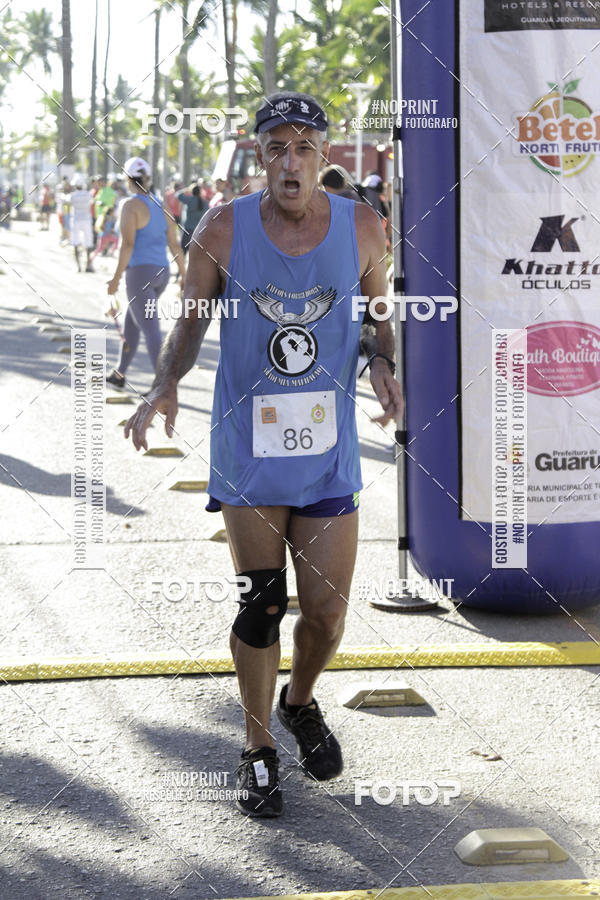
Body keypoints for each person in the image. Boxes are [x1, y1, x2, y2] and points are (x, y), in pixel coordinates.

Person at [124, 92, 402, 817]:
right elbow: (189, 325)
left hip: (328, 448)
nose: (291, 160)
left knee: (328, 616)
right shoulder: (221, 229)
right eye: (277, 146)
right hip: (249, 444)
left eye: (305, 146)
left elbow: (378, 319)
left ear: (325, 155)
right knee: (263, 601)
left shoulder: (365, 227)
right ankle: (257, 749)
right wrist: (163, 386)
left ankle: (299, 702)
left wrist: (380, 362)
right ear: (259, 155)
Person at [105, 156, 186, 388]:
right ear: (148, 179)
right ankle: (119, 374)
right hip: (162, 273)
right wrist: (184, 274)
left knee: (150, 329)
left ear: (129, 180)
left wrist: (116, 278)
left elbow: (127, 244)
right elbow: (174, 243)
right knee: (132, 323)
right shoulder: (161, 204)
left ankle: (163, 384)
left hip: (139, 273)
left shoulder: (130, 205)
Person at [70, 177, 95, 272]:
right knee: (88, 243)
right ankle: (88, 265)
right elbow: (91, 203)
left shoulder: (73, 195)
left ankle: (78, 266)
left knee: (75, 243)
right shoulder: (88, 195)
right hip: (87, 220)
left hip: (76, 220)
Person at [176, 182, 208, 255]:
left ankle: (182, 266)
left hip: (188, 230)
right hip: (200, 231)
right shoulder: (205, 203)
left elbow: (178, 195)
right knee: (197, 253)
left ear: (192, 192)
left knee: (183, 251)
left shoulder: (189, 200)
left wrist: (187, 189)